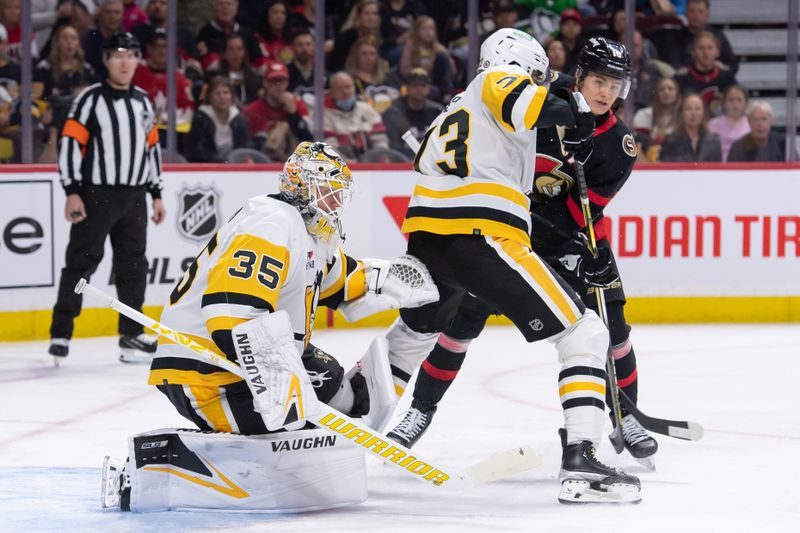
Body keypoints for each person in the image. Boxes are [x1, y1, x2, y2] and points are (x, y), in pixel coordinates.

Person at [101, 141, 435, 512]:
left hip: (252, 359)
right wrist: (280, 385)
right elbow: (230, 314)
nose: (335, 204)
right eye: (327, 193)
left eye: (338, 195)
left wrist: (385, 279)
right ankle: (155, 466)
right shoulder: (272, 223)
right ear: (301, 187)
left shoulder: (309, 232)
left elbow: (339, 280)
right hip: (206, 373)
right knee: (298, 434)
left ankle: (271, 432)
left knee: (349, 395)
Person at [383, 29, 641, 504]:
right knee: (551, 333)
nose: (606, 91)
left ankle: (354, 408)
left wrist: (575, 253)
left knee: (416, 334)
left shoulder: (616, 142)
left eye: (615, 83)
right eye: (597, 80)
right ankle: (423, 411)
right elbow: (529, 108)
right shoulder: (514, 89)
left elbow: (583, 209)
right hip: (494, 234)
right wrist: (570, 108)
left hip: (473, 234)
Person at [48, 32, 166, 363]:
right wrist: (72, 191)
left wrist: (156, 193)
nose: (125, 61)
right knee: (81, 262)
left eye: (131, 54)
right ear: (105, 60)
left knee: (134, 265)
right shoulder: (89, 100)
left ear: (138, 59)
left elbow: (151, 149)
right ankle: (61, 332)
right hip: (96, 193)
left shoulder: (143, 100)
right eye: (118, 55)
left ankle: (131, 335)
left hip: (135, 196)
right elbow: (70, 145)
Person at [243, 61, 313, 161]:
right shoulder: (252, 110)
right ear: (265, 83)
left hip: (293, 161)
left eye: (281, 81)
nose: (278, 86)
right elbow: (247, 143)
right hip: (263, 160)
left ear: (287, 82)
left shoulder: (298, 105)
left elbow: (308, 139)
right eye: (273, 81)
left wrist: (293, 113)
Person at [131, 28, 195, 131]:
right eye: (157, 46)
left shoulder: (179, 77)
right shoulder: (134, 71)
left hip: (170, 134)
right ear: (149, 48)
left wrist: (164, 119)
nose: (162, 50)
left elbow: (188, 109)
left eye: (165, 46)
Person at [322, 71, 389, 161]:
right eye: (340, 88)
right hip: (343, 169)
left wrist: (378, 159)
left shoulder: (367, 109)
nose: (345, 92)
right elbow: (330, 149)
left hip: (372, 166)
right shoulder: (324, 116)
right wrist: (351, 166)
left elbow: (380, 140)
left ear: (354, 88)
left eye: (348, 87)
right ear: (332, 92)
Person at [185, 76, 252, 162]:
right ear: (210, 97)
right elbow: (197, 151)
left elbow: (246, 146)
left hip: (234, 166)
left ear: (231, 96)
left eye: (226, 93)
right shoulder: (201, 118)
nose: (222, 97)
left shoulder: (239, 119)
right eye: (217, 93)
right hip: (208, 166)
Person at [382, 68, 441, 158]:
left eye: (423, 85)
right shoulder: (394, 112)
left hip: (431, 159)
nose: (419, 89)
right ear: (407, 88)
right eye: (414, 85)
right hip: (403, 160)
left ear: (429, 88)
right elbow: (394, 145)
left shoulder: (437, 111)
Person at [674, 31, 736, 115]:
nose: (706, 53)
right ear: (693, 52)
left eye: (710, 48)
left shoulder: (726, 76)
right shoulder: (681, 78)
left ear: (717, 52)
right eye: (701, 48)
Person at [397, 15, 453, 104]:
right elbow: (404, 70)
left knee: (442, 57)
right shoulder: (411, 46)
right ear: (417, 31)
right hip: (416, 82)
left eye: (431, 29)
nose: (428, 32)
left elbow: (451, 70)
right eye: (425, 29)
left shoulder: (438, 48)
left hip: (434, 82)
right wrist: (419, 71)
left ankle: (447, 95)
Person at [659, 92, 721, 162]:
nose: (693, 113)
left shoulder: (714, 141)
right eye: (688, 109)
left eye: (697, 109)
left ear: (703, 112)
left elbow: (717, 169)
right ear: (682, 113)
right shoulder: (670, 141)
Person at [345, 36, 398, 114]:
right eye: (364, 54)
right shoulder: (349, 79)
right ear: (356, 56)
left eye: (372, 54)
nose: (368, 58)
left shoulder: (387, 76)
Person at [632, 76, 681, 161]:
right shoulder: (644, 115)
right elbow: (637, 144)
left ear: (677, 93)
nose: (666, 92)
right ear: (657, 93)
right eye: (662, 89)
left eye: (670, 88)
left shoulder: (684, 117)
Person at [728, 101, 793, 162]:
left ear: (770, 121)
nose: (760, 124)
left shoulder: (784, 144)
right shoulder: (737, 148)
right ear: (749, 122)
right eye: (755, 119)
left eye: (764, 119)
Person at [82, 0, 124, 78]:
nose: (113, 17)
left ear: (122, 16)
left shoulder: (127, 40)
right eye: (108, 12)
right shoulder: (87, 39)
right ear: (100, 14)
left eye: (116, 13)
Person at [707, 84, 749, 162]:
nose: (735, 105)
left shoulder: (752, 123)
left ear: (746, 104)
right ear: (724, 103)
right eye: (731, 100)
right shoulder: (712, 125)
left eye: (739, 100)